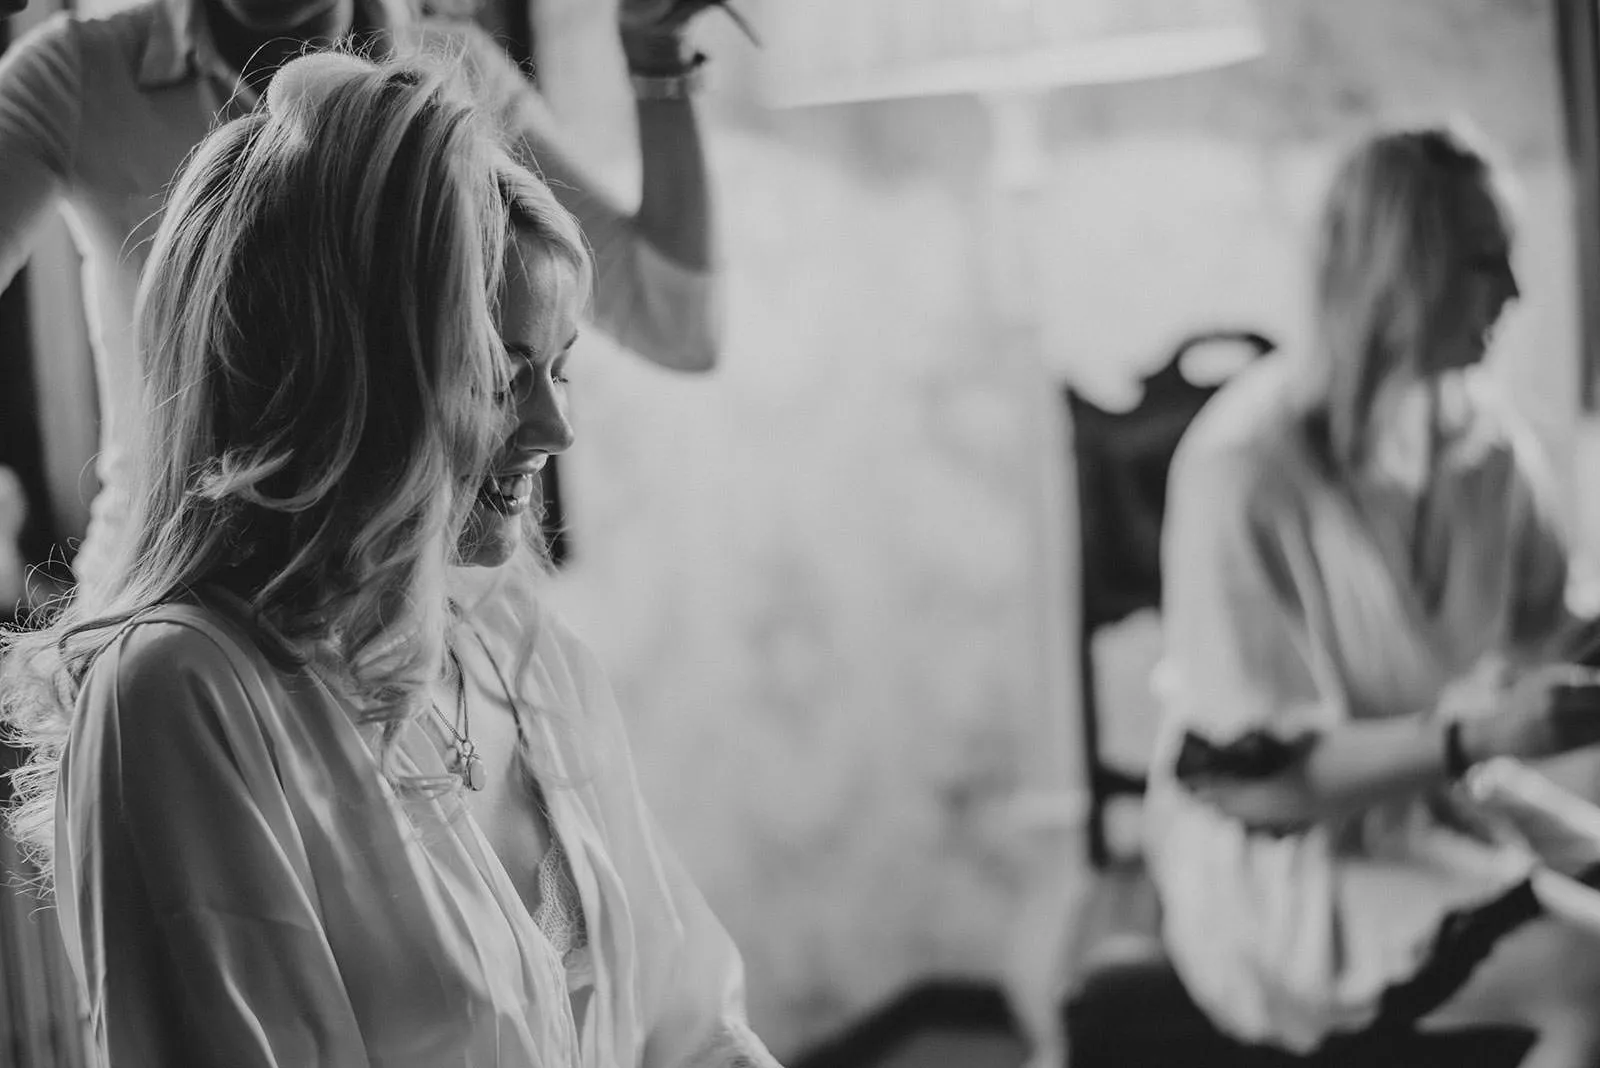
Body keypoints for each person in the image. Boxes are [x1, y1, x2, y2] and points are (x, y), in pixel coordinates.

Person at [0, 52, 779, 1068]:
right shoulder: (179, 699)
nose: (555, 427)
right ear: (347, 381)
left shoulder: (521, 651)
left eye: (559, 369)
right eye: (498, 377)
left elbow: (694, 1030)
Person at [0, 0, 729, 592]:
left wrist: (656, 57)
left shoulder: (459, 75)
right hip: (175, 592)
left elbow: (678, 326)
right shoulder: (79, 76)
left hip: (406, 616)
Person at [1143, 126, 1600, 1068]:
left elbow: (1552, 631)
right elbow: (1254, 786)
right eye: (1486, 262)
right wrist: (1480, 736)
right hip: (1289, 865)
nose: (1514, 294)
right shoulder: (1243, 470)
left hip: (1442, 802)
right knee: (1591, 980)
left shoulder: (1491, 448)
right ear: (1402, 273)